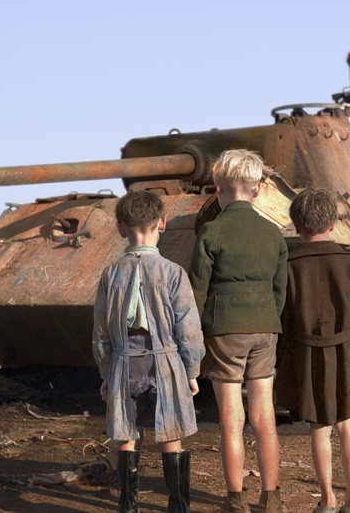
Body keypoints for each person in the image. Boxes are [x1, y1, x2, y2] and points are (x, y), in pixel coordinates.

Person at [276, 188, 350, 513]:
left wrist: (283, 359)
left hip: (307, 355)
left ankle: (326, 501)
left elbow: (283, 317)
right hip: (348, 355)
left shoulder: (288, 264)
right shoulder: (349, 262)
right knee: (347, 426)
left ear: (297, 225)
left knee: (319, 429)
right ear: (334, 224)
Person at [92, 190, 205, 513]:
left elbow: (100, 333)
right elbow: (189, 330)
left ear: (120, 228)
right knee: (171, 432)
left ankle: (128, 505)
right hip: (166, 362)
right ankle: (178, 506)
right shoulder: (173, 273)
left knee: (126, 433)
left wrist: (105, 372)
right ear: (162, 223)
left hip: (123, 362)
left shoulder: (110, 273)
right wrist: (192, 371)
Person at [189, 149, 288, 513]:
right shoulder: (273, 233)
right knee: (264, 416)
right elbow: (280, 290)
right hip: (265, 328)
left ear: (218, 189)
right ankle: (272, 497)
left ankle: (234, 499)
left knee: (232, 419)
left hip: (224, 330)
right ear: (258, 189)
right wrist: (267, 319)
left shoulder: (212, 232)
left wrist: (197, 335)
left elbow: (197, 289)